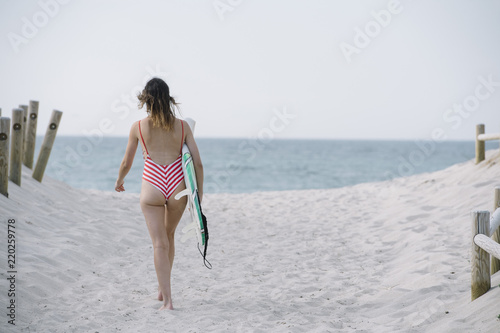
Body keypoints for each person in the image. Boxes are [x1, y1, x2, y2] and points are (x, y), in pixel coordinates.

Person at [114, 78, 204, 310]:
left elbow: (127, 161)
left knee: (158, 244)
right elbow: (198, 164)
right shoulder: (183, 126)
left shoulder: (138, 127)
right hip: (176, 186)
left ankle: (166, 298)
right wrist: (198, 198)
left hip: (152, 186)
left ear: (146, 99)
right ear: (168, 97)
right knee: (169, 237)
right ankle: (164, 293)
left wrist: (119, 180)